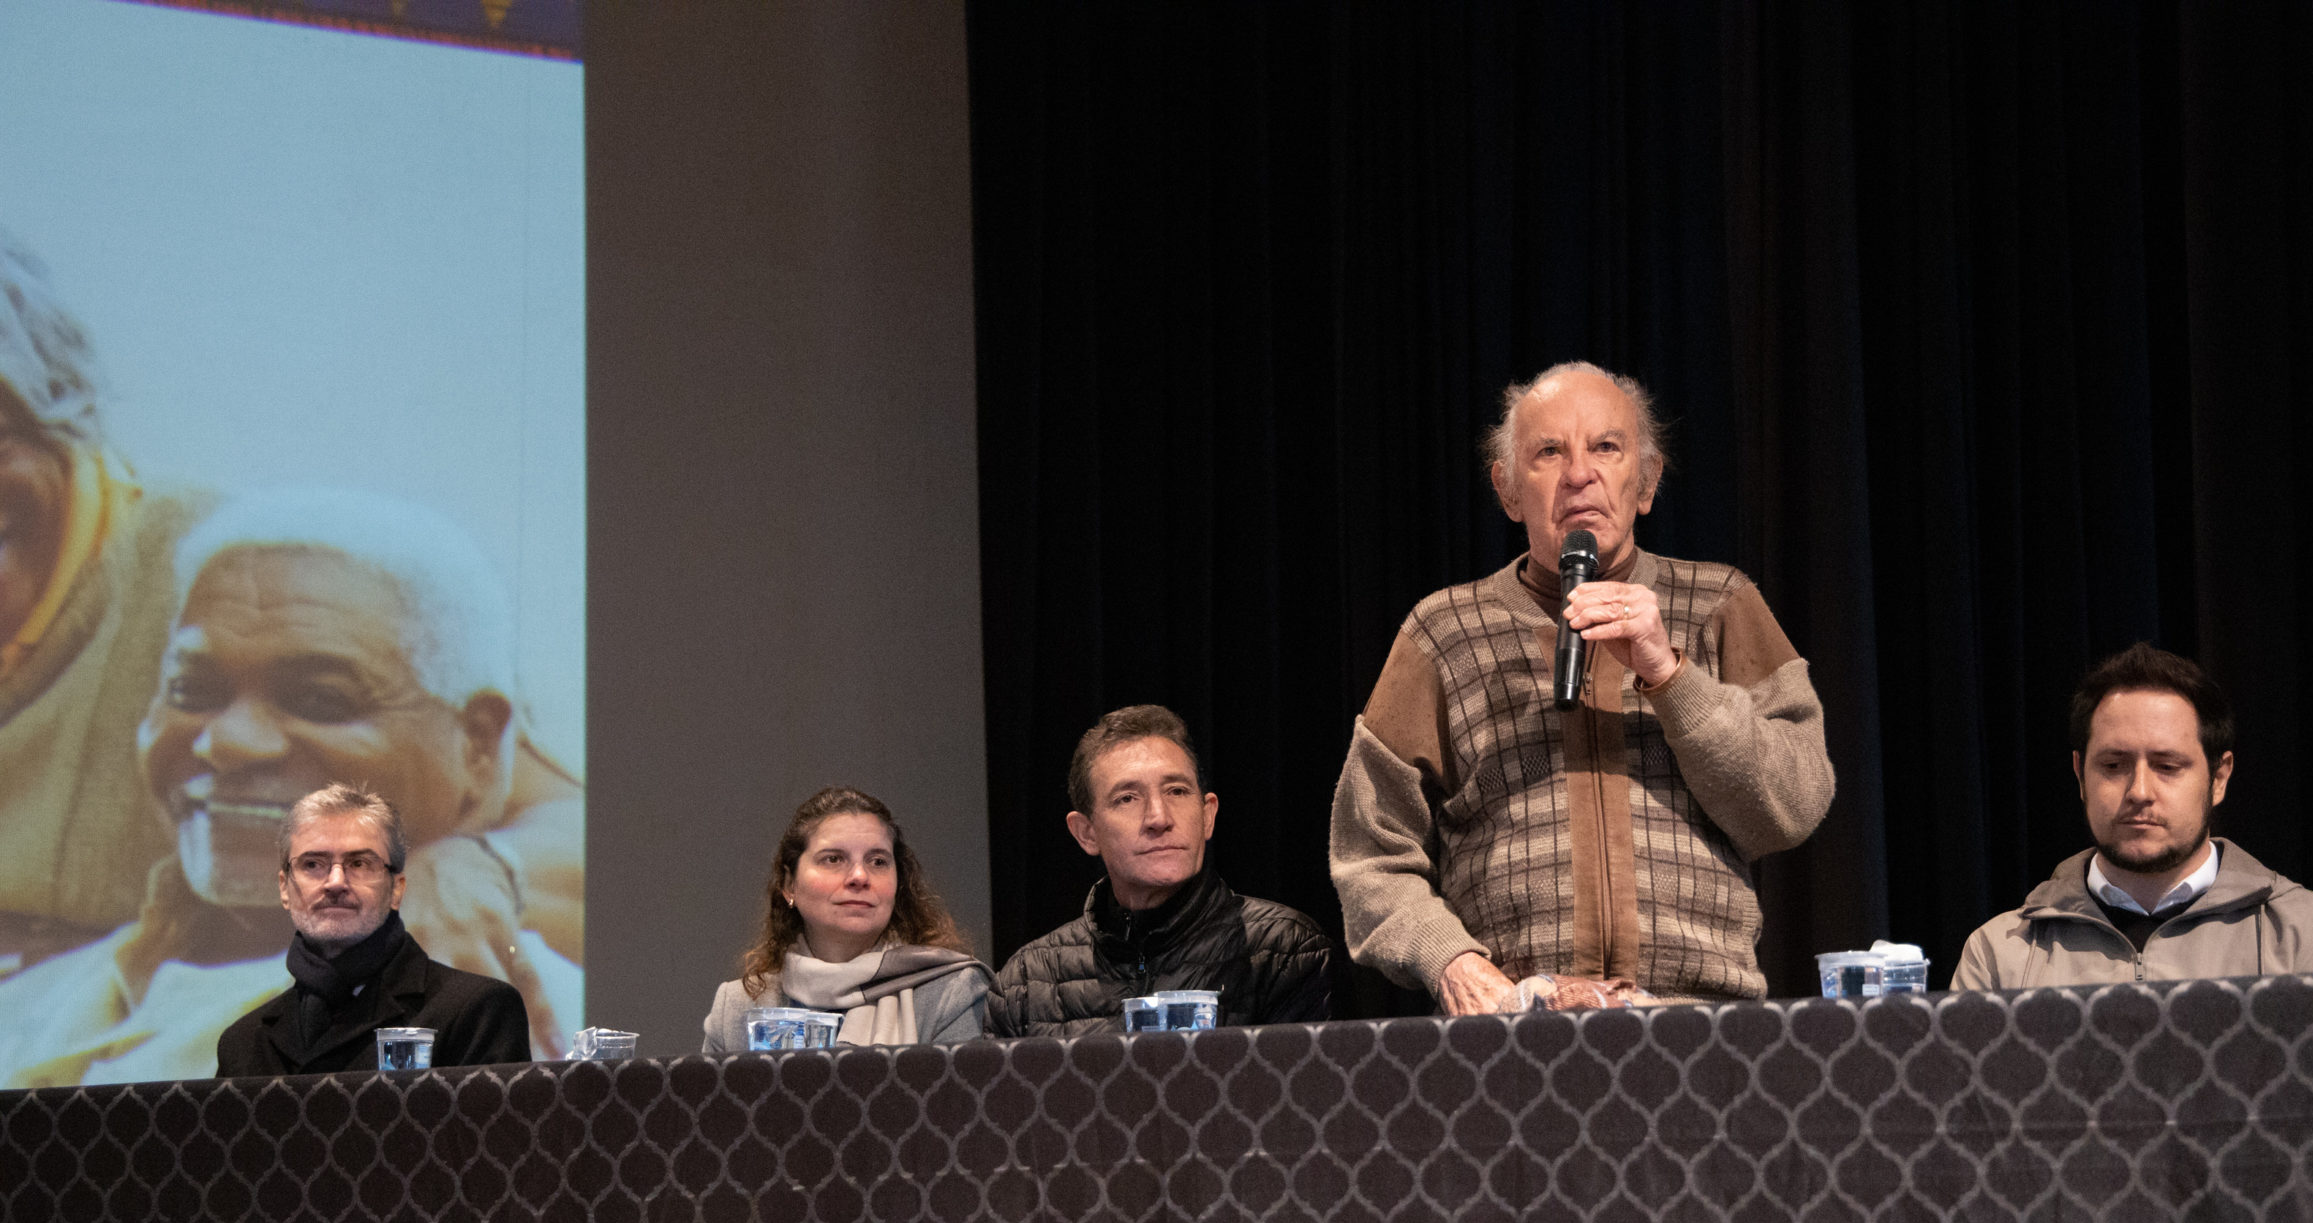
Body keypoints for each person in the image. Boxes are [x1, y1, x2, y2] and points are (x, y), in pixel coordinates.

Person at [0, 490, 581, 1086]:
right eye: (192, 690)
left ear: (477, 747)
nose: (227, 742)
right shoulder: (36, 1003)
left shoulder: (492, 1015)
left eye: (319, 699)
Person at [1331, 360, 1835, 1011]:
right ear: (1508, 491)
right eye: (1548, 452)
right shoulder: (1443, 631)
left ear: (1645, 481)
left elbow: (1795, 802)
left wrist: (1670, 674)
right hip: (1514, 1025)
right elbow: (1369, 853)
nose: (1578, 474)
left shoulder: (1722, 604)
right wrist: (1449, 959)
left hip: (1697, 1022)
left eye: (1606, 447)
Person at [0, 227, 215, 973]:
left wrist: (475, 868)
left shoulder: (224, 566)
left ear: (57, 415)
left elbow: (527, 810)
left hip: (171, 1041)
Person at [1953, 642, 2313, 988]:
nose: (2139, 792)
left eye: (2167, 766)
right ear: (2080, 775)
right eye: (2113, 765)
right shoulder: (2000, 956)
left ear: (2218, 778)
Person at [990, 705, 1332, 1037]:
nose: (1159, 817)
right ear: (1086, 833)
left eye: (1177, 791)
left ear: (1208, 815)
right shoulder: (1025, 984)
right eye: (1127, 798)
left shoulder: (1284, 952)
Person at [216, 785, 530, 1075]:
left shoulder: (477, 1012)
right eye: (313, 864)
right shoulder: (242, 1042)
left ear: (397, 889)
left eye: (359, 864)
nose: (335, 882)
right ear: (285, 888)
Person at [702, 787, 991, 1050]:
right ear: (789, 885)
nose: (859, 876)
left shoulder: (951, 992)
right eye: (833, 859)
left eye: (877, 861)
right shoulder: (737, 1007)